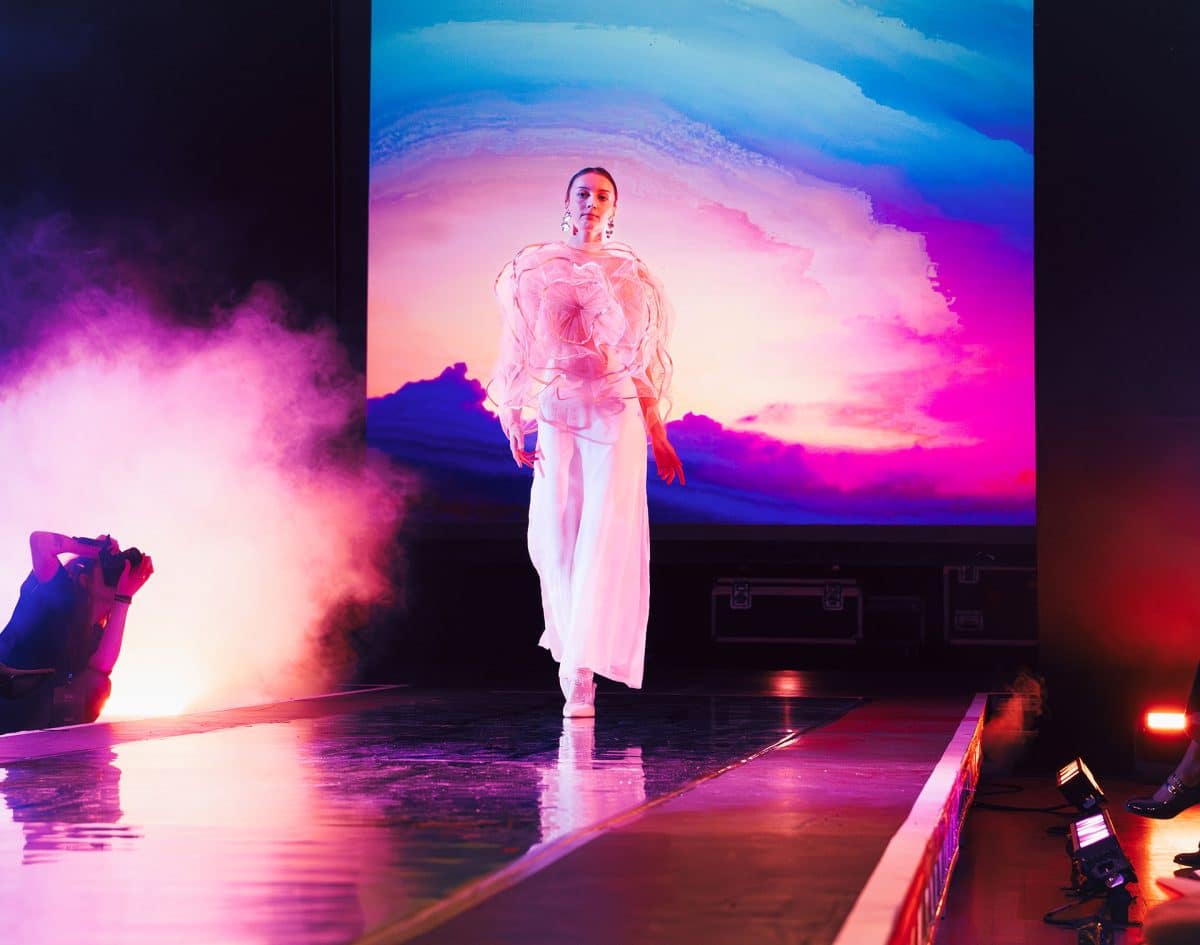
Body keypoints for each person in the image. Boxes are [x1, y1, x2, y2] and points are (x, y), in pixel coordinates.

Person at [490, 167, 685, 718]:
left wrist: (658, 433)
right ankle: (569, 654)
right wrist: (513, 413)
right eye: (583, 193)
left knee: (604, 532)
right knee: (557, 530)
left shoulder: (631, 274)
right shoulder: (539, 267)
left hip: (614, 411)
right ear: (567, 201)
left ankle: (582, 672)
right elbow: (518, 344)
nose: (592, 202)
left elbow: (639, 360)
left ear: (614, 208)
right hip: (559, 405)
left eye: (602, 195)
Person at [0, 531, 153, 733]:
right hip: (6, 690)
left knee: (99, 684)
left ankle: (58, 743)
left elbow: (101, 670)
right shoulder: (62, 592)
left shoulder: (96, 632)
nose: (114, 573)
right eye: (105, 567)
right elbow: (39, 542)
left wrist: (124, 597)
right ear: (84, 579)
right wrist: (95, 549)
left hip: (30, 714)